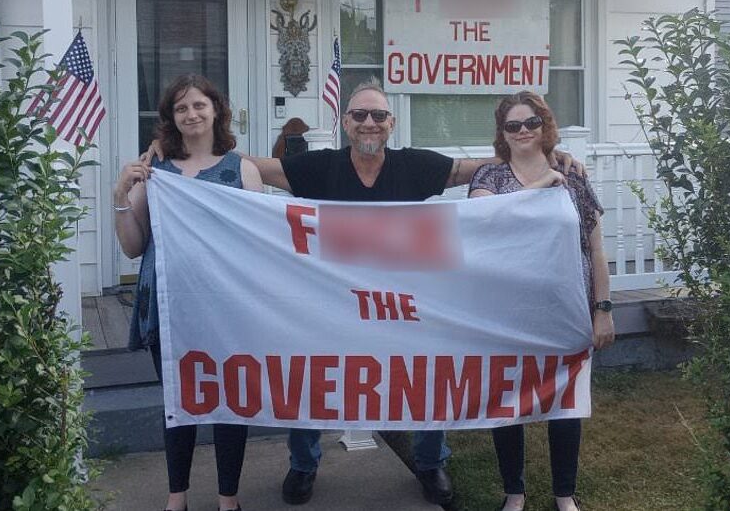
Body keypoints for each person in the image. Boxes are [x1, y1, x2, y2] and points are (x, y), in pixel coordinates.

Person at [145, 78, 584, 507]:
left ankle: (431, 462)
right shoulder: (320, 166)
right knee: (305, 369)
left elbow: (468, 169)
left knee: (429, 369)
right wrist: (180, 147)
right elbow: (253, 166)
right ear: (346, 123)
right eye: (359, 115)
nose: (368, 122)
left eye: (378, 115)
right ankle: (303, 464)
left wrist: (539, 153)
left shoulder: (414, 164)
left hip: (404, 303)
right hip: (329, 303)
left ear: (391, 123)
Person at [115, 74, 263, 511]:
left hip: (226, 306)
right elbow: (132, 246)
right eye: (181, 108)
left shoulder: (242, 170)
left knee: (229, 402)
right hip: (168, 303)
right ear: (171, 119)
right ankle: (175, 497)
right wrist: (120, 195)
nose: (192, 114)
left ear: (216, 110)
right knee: (178, 402)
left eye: (199, 105)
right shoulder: (155, 171)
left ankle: (227, 499)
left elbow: (257, 243)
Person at [467, 91, 615, 511]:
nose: (523, 131)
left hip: (567, 307)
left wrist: (602, 309)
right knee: (507, 401)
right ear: (502, 133)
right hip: (508, 311)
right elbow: (484, 223)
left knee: (565, 402)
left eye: (531, 122)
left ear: (544, 124)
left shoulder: (573, 174)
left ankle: (564, 493)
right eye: (513, 125)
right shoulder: (490, 177)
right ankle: (514, 491)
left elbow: (596, 247)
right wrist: (538, 187)